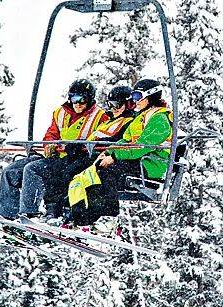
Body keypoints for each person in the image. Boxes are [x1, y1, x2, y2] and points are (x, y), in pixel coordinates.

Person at [69, 78, 173, 231]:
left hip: (152, 165)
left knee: (108, 171)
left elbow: (142, 146)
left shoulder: (159, 119)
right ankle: (85, 219)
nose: (134, 101)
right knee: (94, 174)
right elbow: (125, 140)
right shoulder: (142, 117)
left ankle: (110, 218)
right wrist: (108, 152)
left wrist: (115, 157)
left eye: (137, 97)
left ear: (150, 96)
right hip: (138, 161)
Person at [0, 79, 107, 219]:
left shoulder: (99, 116)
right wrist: (49, 145)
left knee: (32, 169)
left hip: (74, 160)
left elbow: (102, 139)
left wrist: (80, 147)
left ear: (90, 99)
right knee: (10, 172)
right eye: (74, 98)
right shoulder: (61, 113)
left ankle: (30, 214)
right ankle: (8, 215)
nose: (77, 103)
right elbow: (51, 134)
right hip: (54, 157)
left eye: (82, 99)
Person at [65, 84, 137, 226]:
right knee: (70, 172)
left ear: (128, 104)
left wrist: (92, 148)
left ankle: (98, 216)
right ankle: (73, 214)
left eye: (116, 105)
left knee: (91, 174)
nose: (113, 109)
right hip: (95, 153)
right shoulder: (110, 120)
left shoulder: (129, 121)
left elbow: (119, 141)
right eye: (110, 104)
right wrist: (79, 145)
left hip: (107, 156)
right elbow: (96, 138)